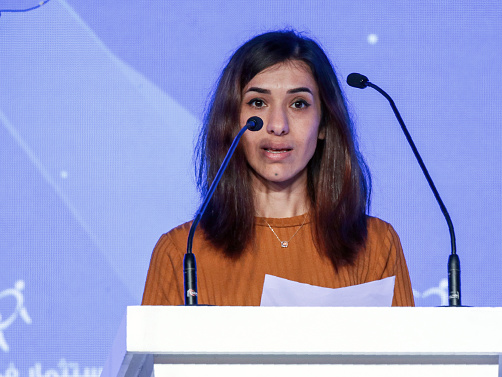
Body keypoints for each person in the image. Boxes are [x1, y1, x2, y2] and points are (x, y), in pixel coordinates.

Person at [142, 30, 414, 307]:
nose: (277, 125)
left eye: (298, 104)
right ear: (232, 119)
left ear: (324, 124)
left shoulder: (377, 245)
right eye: (258, 103)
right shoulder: (182, 252)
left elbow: (405, 350)